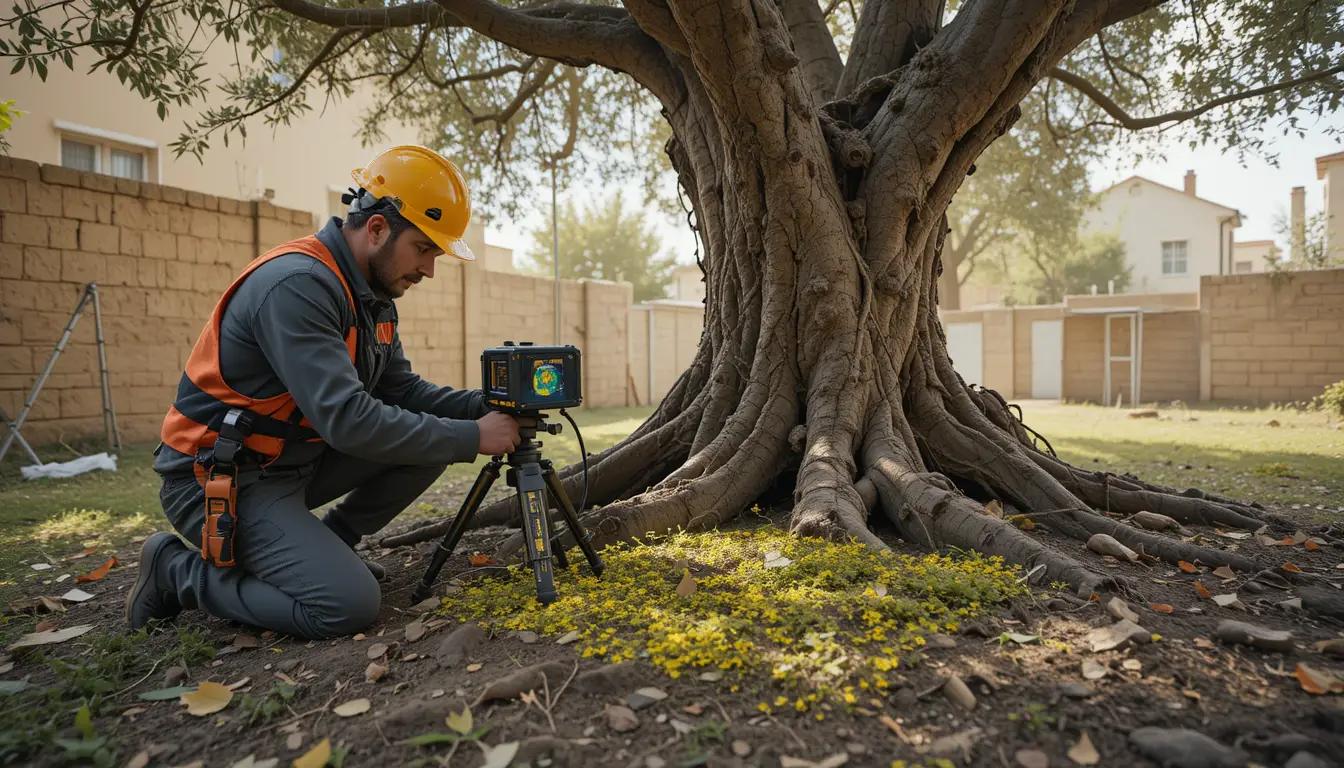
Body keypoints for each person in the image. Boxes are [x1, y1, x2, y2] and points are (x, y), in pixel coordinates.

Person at [125, 145, 520, 639]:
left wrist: (489, 408)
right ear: (377, 229)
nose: (429, 269)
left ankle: (331, 545)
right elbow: (348, 420)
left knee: (431, 442)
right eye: (423, 248)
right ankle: (174, 571)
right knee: (346, 604)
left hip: (290, 464)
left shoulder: (371, 296)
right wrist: (473, 437)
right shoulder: (297, 285)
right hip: (219, 479)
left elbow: (402, 392)